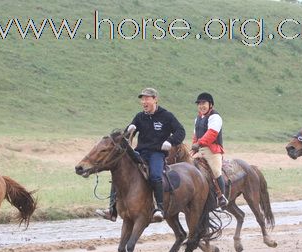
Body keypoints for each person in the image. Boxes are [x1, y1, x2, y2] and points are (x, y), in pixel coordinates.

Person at [96, 87, 185, 222]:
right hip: (140, 152)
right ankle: (112, 210)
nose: (144, 102)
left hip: (157, 153)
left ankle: (159, 209)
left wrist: (170, 141)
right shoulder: (139, 117)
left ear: (155, 99)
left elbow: (180, 131)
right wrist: (128, 130)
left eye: (147, 99)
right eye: (142, 99)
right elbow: (126, 137)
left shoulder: (167, 116)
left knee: (155, 176)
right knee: (119, 172)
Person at [191, 92, 228, 208]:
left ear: (210, 104)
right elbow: (195, 135)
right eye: (199, 104)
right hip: (199, 149)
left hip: (212, 150)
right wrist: (193, 146)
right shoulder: (198, 118)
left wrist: (199, 143)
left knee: (216, 171)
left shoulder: (215, 117)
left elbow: (211, 134)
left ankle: (222, 197)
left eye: (204, 103)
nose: (201, 106)